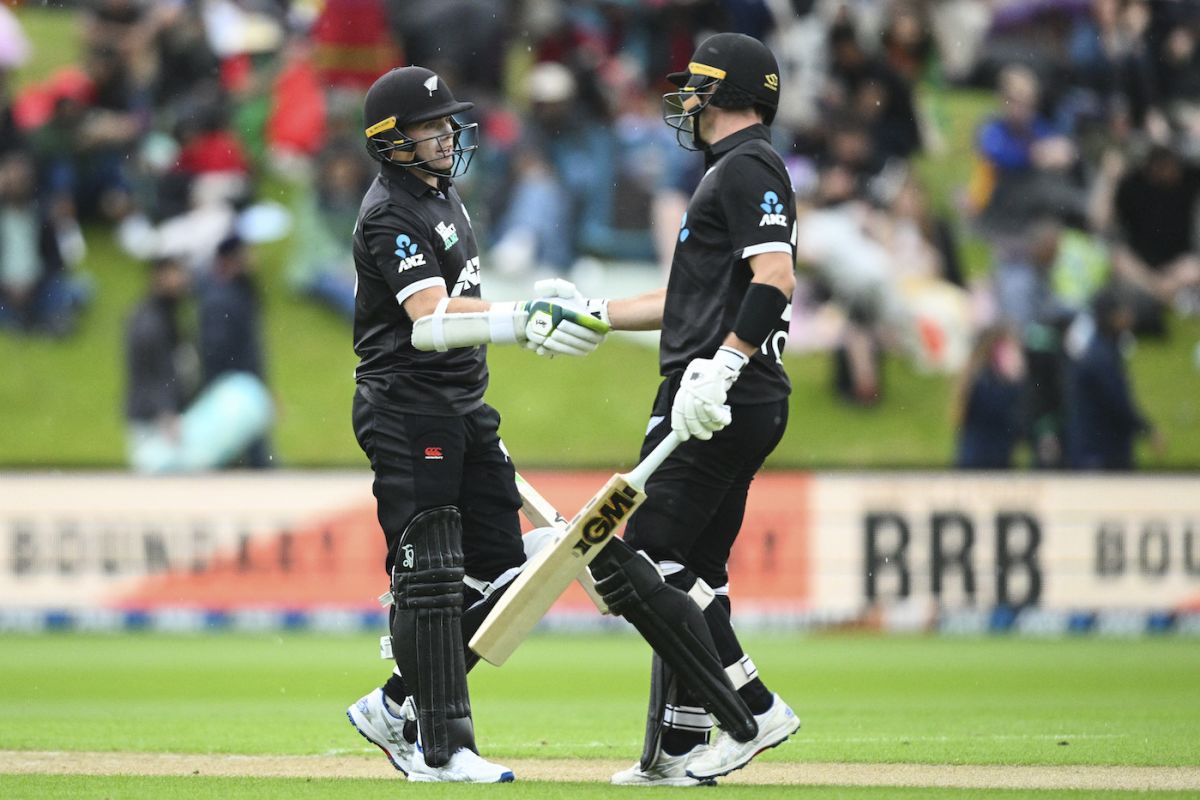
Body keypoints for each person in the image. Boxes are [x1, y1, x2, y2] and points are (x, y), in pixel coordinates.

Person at [342, 65, 608, 784]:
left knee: (507, 573)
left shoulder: (446, 197)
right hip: (407, 407)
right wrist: (523, 321)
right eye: (430, 126)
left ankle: (396, 702)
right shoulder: (389, 213)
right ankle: (438, 747)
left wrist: (535, 297)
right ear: (391, 141)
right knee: (431, 575)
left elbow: (464, 301)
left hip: (463, 407)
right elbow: (429, 316)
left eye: (446, 123)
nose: (446, 135)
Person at [577, 33, 802, 785]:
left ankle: (752, 709)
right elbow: (684, 302)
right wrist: (594, 313)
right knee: (696, 569)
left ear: (732, 93)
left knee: (639, 558)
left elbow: (777, 275)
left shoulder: (748, 165)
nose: (687, 99)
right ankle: (679, 742)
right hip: (729, 387)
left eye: (700, 85)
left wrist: (726, 363)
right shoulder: (730, 171)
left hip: (720, 393)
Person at [1065, 286, 1162, 470]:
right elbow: (1118, 403)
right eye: (1123, 311)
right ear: (1112, 316)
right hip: (1100, 455)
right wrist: (1147, 430)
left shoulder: (1102, 351)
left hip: (1097, 451)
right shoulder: (1101, 358)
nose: (1129, 316)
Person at [197, 233, 272, 468]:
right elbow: (216, 351)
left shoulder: (236, 291)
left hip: (243, 389)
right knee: (252, 459)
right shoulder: (220, 298)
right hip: (235, 393)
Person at [953, 325, 1026, 469]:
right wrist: (1016, 380)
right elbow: (1004, 413)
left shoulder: (986, 380)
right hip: (980, 461)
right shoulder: (983, 382)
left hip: (993, 459)